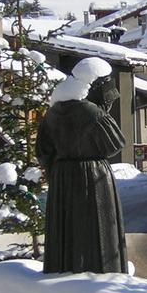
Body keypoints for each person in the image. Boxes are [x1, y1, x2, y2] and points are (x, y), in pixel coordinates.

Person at [36, 57, 128, 274]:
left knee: (65, 231)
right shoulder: (93, 113)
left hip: (62, 178)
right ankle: (101, 274)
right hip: (94, 176)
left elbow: (42, 151)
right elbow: (115, 144)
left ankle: (63, 270)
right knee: (99, 230)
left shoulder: (52, 113)